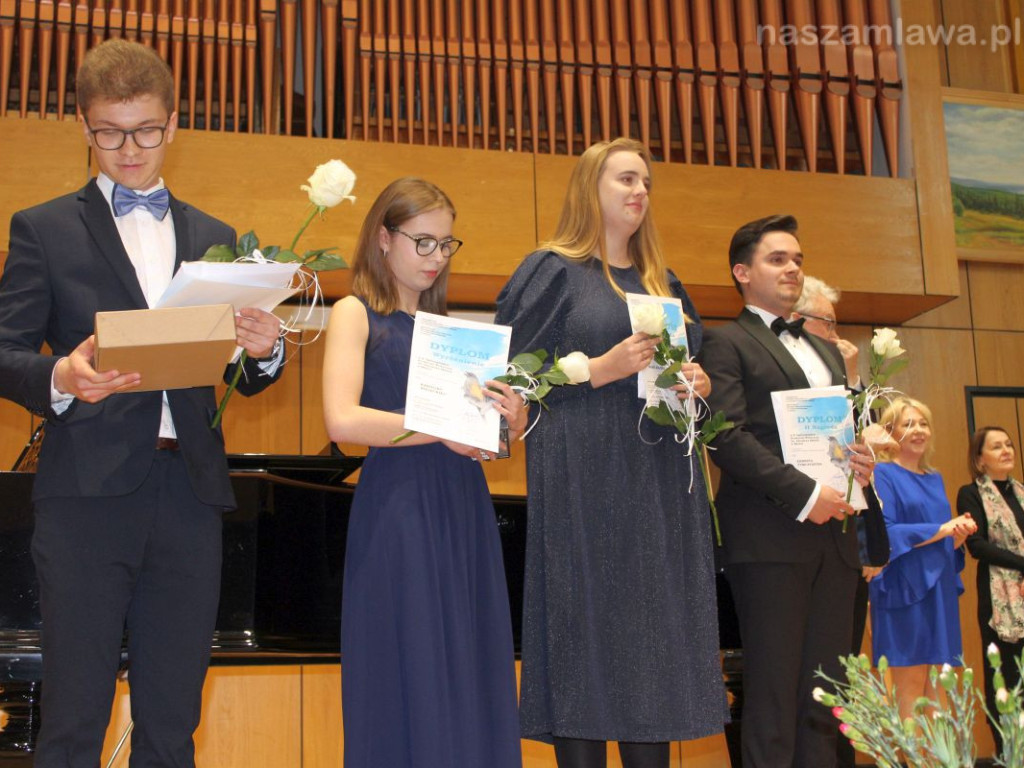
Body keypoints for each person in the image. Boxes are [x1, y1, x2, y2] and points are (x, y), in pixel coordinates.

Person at [0, 39, 284, 767]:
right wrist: (61, 376)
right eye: (109, 132)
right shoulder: (44, 227)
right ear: (83, 127)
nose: (129, 149)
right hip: (86, 496)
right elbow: (4, 352)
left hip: (188, 494)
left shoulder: (217, 240)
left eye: (146, 130)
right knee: (73, 716)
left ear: (174, 124)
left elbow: (240, 379)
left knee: (170, 721)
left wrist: (263, 350)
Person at [494, 138, 726, 768]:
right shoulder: (552, 270)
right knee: (586, 646)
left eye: (645, 182)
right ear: (589, 188)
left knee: (650, 651)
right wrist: (600, 368)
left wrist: (696, 383)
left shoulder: (663, 283)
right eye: (625, 179)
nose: (639, 192)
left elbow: (685, 371)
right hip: (583, 483)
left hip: (658, 490)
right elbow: (511, 380)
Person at [321, 177, 526, 768]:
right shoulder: (354, 312)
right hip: (399, 509)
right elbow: (343, 419)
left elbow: (485, 441)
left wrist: (506, 424)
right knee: (407, 664)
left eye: (446, 245)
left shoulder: (456, 333)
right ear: (384, 238)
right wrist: (442, 427)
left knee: (467, 662)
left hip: (463, 506)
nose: (437, 257)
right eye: (423, 242)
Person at [698, 214, 876, 768]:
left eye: (798, 259)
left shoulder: (825, 352)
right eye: (778, 259)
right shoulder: (723, 342)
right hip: (771, 539)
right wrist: (804, 493)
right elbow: (724, 436)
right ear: (742, 273)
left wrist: (858, 461)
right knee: (773, 698)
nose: (793, 268)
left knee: (826, 700)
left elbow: (832, 434)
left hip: (838, 538)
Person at [868, 397, 976, 721]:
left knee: (938, 686)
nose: (918, 430)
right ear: (890, 433)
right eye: (909, 424)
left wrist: (955, 539)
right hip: (903, 587)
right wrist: (942, 528)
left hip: (937, 588)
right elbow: (885, 534)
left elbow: (938, 536)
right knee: (911, 687)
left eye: (923, 423)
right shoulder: (882, 473)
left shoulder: (934, 477)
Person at [957, 426, 1024, 751]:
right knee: (1006, 676)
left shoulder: (1022, 493)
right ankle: (1008, 751)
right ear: (980, 459)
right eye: (996, 447)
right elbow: (977, 545)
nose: (1006, 450)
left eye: (1008, 444)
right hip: (1000, 601)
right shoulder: (971, 493)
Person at [791, 275, 860, 386]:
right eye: (828, 324)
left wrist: (851, 376)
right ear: (797, 320)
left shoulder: (833, 365)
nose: (835, 337)